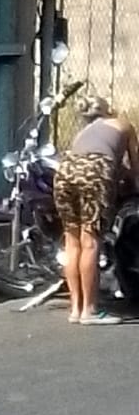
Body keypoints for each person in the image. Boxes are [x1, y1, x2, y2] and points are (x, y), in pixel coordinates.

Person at [54, 94, 139, 324]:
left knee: (72, 241)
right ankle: (90, 311)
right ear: (108, 110)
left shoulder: (84, 133)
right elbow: (134, 167)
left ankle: (75, 310)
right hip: (95, 171)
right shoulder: (124, 124)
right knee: (90, 241)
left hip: (66, 170)